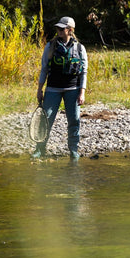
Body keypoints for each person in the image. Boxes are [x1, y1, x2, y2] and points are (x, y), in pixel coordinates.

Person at [33, 16, 88, 160]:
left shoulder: (80, 48)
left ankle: (73, 150)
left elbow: (83, 72)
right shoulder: (50, 46)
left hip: (73, 89)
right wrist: (39, 89)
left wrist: (82, 92)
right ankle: (39, 149)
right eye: (58, 28)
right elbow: (44, 69)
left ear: (70, 30)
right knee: (46, 119)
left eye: (61, 28)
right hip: (52, 89)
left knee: (74, 120)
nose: (58, 31)